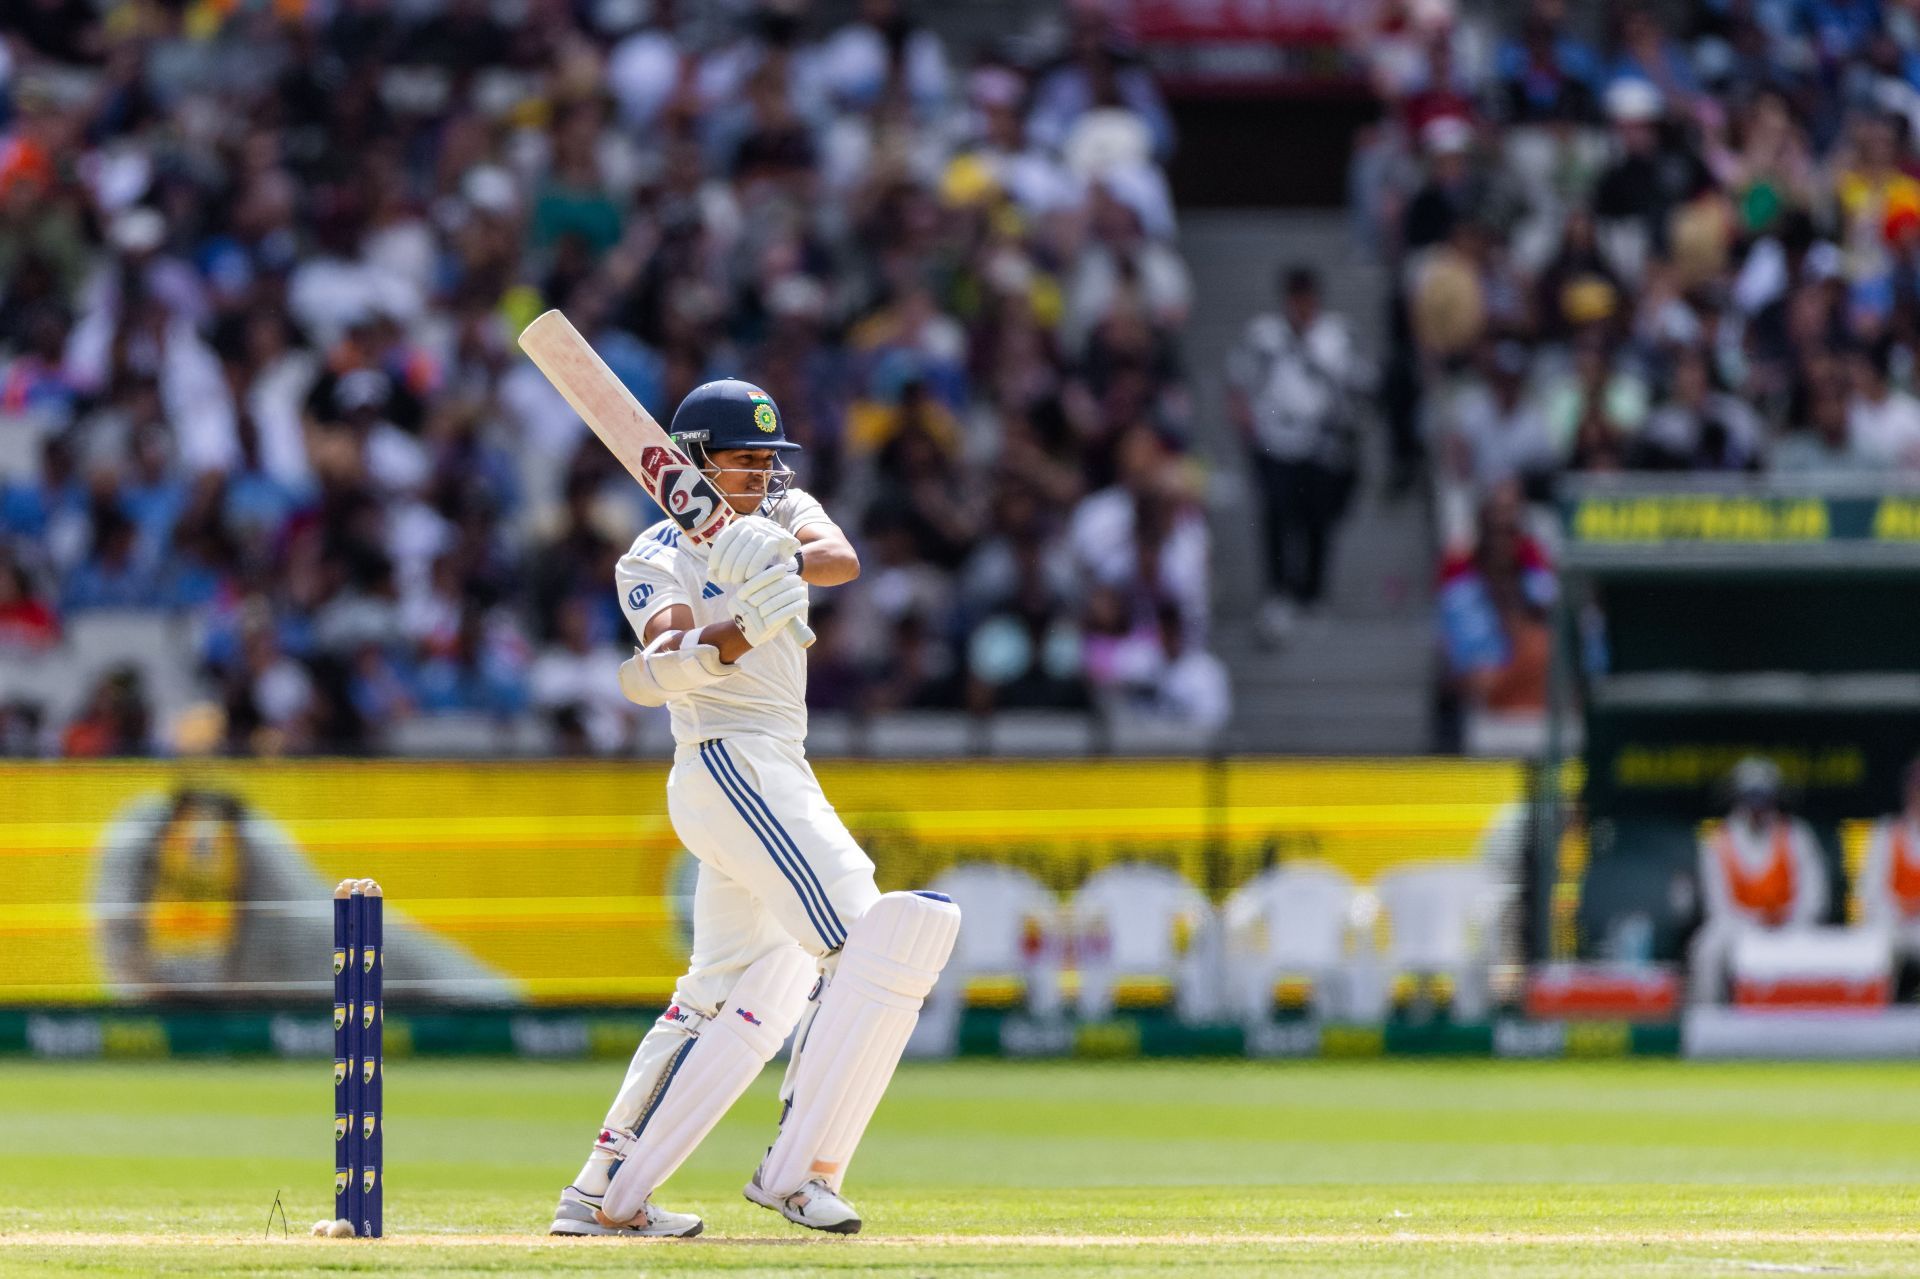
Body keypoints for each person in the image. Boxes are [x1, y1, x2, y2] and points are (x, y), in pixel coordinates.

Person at [550, 380, 961, 1239]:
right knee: (871, 941)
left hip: (776, 763)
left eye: (772, 461)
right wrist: (735, 621)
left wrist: (775, 558)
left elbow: (840, 557)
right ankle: (799, 1172)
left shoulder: (782, 510)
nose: (765, 476)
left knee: (718, 992)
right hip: (727, 760)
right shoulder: (652, 554)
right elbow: (663, 658)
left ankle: (599, 1191)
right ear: (695, 463)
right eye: (745, 461)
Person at [1227, 265, 1364, 643]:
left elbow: (1353, 384)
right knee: (1276, 515)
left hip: (1321, 443)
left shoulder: (1336, 336)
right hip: (1274, 441)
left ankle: (1313, 593)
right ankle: (1277, 591)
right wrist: (1246, 429)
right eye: (1295, 298)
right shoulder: (1263, 337)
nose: (1302, 307)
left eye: (1308, 299)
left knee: (1318, 519)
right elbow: (1238, 383)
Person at [1687, 757, 1829, 1004]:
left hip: (1791, 926)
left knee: (1821, 947)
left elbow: (1814, 897)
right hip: (1737, 927)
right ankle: (1707, 1018)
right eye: (1750, 797)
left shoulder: (1797, 835)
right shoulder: (1718, 842)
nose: (1756, 806)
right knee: (1706, 949)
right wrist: (1758, 921)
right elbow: (1718, 907)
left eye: (1762, 797)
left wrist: (1786, 919)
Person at [1857, 759, 1920, 986]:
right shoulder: (1886, 832)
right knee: (1879, 942)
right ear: (1908, 791)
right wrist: (1901, 910)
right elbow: (1869, 891)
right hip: (1895, 924)